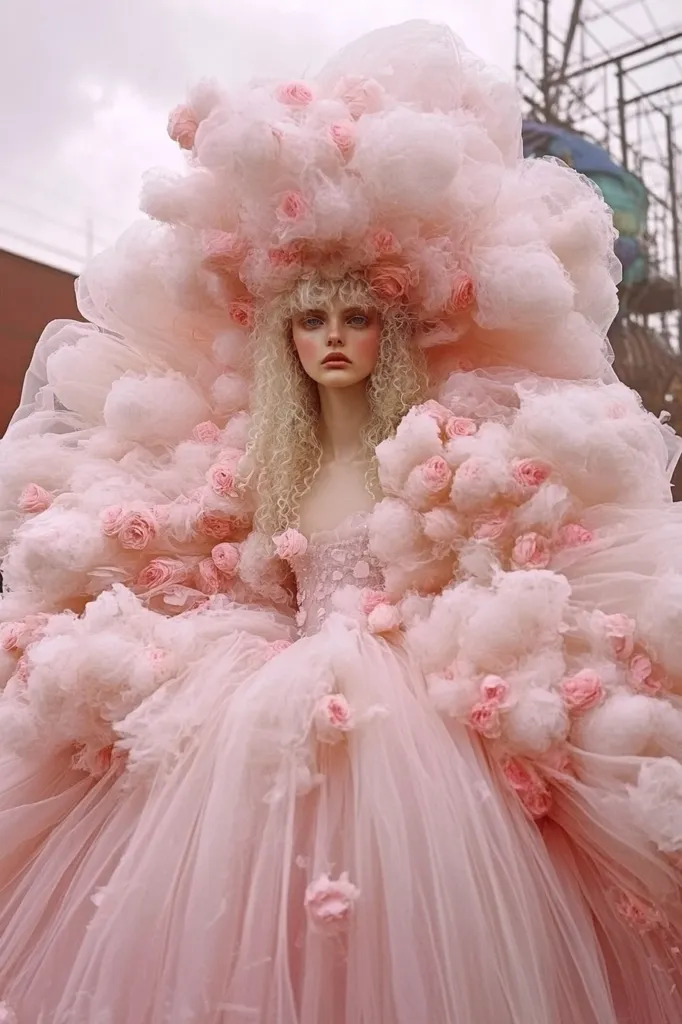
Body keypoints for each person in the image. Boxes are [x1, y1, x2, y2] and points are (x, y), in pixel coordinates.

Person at [1, 18, 682, 1024]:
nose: (332, 337)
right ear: (281, 335)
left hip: (415, 723)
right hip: (256, 713)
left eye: (354, 315)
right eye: (309, 319)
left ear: (389, 326)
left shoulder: (434, 450)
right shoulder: (265, 470)